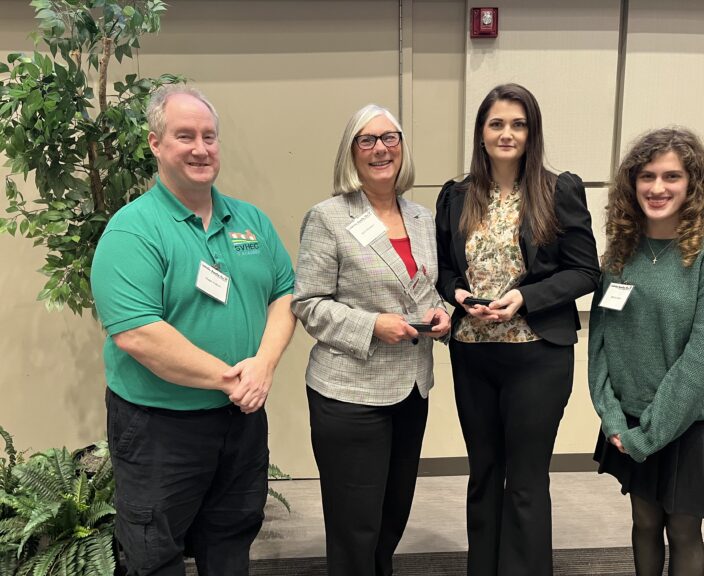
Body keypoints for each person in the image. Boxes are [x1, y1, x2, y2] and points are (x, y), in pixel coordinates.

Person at [90, 85, 296, 576]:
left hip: (240, 421)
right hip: (160, 429)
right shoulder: (132, 231)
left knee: (231, 540)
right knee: (153, 553)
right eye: (185, 136)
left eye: (209, 136)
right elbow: (138, 333)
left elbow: (285, 294)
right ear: (155, 143)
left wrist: (263, 366)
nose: (201, 148)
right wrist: (234, 379)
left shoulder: (251, 221)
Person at [435, 83, 600, 575]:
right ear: (481, 133)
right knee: (484, 474)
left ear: (532, 132)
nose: (507, 134)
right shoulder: (456, 195)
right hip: (473, 353)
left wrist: (526, 297)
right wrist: (459, 296)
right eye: (497, 123)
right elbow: (443, 268)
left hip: (538, 356)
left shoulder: (558, 189)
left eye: (518, 124)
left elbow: (586, 271)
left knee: (525, 481)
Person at [291, 104, 451, 576]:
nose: (381, 148)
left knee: (391, 516)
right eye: (367, 140)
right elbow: (309, 304)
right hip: (349, 394)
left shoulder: (422, 218)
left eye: (390, 138)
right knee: (354, 525)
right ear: (351, 152)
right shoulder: (328, 217)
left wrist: (443, 312)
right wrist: (372, 325)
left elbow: (424, 287)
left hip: (411, 388)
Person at [588, 127, 704, 576]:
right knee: (643, 521)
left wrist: (646, 437)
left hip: (691, 422)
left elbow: (703, 359)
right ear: (631, 184)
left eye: (672, 176)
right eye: (647, 176)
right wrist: (614, 418)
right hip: (630, 420)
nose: (657, 188)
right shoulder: (623, 246)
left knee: (682, 531)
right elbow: (599, 340)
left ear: (693, 183)